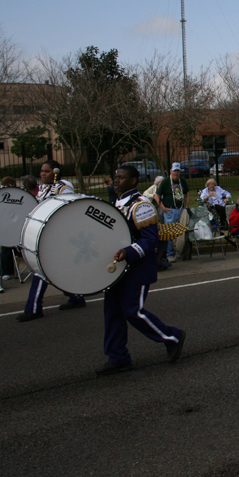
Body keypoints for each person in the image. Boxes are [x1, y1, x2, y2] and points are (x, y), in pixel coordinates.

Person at [97, 165, 186, 375]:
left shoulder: (141, 205)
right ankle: (117, 356)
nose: (116, 180)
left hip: (136, 269)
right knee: (112, 312)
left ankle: (172, 337)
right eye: (115, 177)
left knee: (132, 311)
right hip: (118, 269)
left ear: (133, 181)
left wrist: (128, 252)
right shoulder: (117, 203)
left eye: (121, 178)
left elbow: (150, 240)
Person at [17, 161, 86, 322]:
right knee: (57, 268)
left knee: (41, 268)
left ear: (55, 172)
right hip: (44, 232)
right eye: (41, 171)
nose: (42, 174)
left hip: (58, 234)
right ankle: (76, 297)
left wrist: (58, 195)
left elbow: (68, 208)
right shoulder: (42, 188)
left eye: (46, 171)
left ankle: (33, 308)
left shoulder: (63, 186)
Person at [154, 163, 189, 263]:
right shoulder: (165, 182)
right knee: (170, 233)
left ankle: (179, 252)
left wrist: (185, 207)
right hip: (170, 209)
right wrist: (163, 208)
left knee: (180, 232)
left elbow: (187, 194)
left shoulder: (182, 181)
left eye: (178, 171)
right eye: (174, 171)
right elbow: (157, 196)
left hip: (180, 209)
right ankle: (170, 254)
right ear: (171, 171)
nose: (176, 173)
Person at [0, 176, 19, 281]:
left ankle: (8, 271)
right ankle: (6, 271)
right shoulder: (1, 196)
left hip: (17, 227)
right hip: (7, 229)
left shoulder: (18, 194)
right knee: (7, 247)